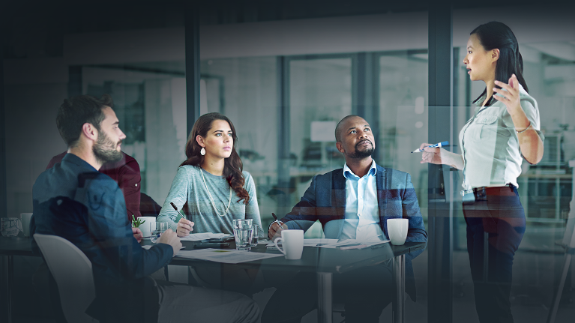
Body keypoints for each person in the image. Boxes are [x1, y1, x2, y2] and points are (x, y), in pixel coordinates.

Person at [30, 94, 260, 323]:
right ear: (90, 131)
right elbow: (136, 266)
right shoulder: (101, 186)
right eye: (115, 127)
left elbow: (41, 241)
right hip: (130, 305)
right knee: (248, 307)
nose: (122, 135)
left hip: (81, 307)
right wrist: (167, 246)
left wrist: (113, 235)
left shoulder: (44, 181)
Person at [418, 21, 543, 323]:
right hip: (476, 205)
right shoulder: (485, 106)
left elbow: (534, 154)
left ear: (494, 55)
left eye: (471, 51)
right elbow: (480, 162)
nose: (466, 59)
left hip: (497, 206)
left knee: (494, 305)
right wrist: (444, 157)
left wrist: (516, 110)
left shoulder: (519, 101)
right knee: (485, 302)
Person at [264, 115, 428, 323]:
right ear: (340, 147)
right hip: (331, 266)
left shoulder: (399, 180)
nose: (363, 134)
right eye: (353, 131)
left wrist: (392, 257)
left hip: (381, 267)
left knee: (362, 304)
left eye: (366, 129)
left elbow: (419, 235)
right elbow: (298, 218)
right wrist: (281, 226)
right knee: (277, 311)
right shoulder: (323, 183)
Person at [157, 112, 262, 238]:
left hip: (239, 253)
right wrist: (176, 228)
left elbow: (257, 232)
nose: (227, 139)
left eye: (229, 134)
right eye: (219, 134)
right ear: (201, 140)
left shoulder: (244, 179)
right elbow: (163, 220)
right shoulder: (189, 174)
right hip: (201, 253)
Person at [46, 150, 142, 222]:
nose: (121, 135)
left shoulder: (126, 165)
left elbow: (129, 218)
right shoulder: (58, 164)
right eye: (114, 127)